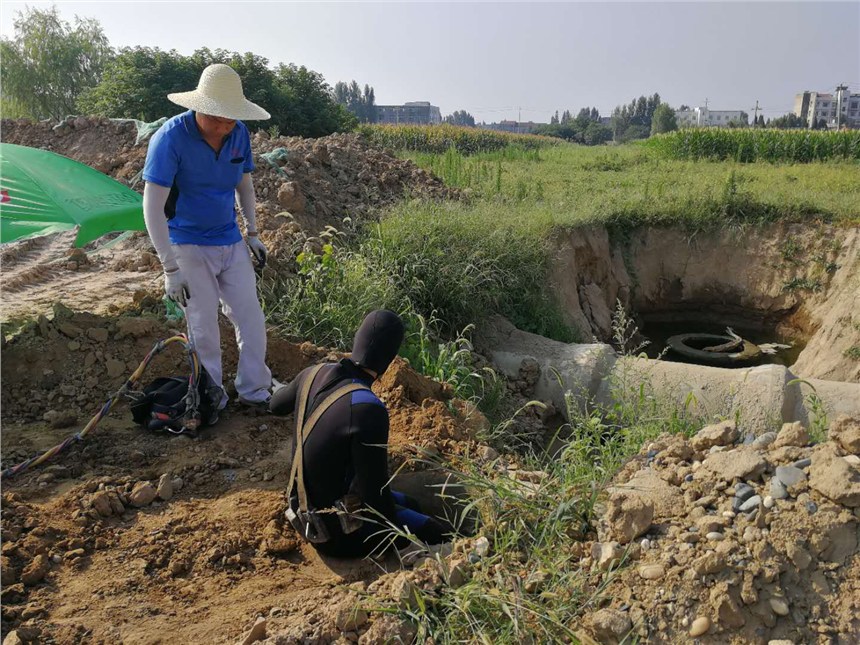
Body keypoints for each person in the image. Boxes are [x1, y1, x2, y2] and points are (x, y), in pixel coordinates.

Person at [142, 64, 272, 412]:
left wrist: (253, 233)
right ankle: (211, 396)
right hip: (187, 244)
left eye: (230, 119)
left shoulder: (239, 134)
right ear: (197, 107)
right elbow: (152, 207)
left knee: (251, 317)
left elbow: (244, 185)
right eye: (216, 118)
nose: (223, 126)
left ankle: (255, 391)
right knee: (203, 326)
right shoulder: (170, 140)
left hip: (229, 241)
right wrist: (170, 268)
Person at [270, 310, 451, 558]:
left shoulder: (312, 373)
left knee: (411, 504)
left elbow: (276, 405)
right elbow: (374, 499)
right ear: (389, 359)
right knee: (438, 532)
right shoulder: (367, 409)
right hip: (337, 536)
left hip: (302, 512)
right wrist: (405, 545)